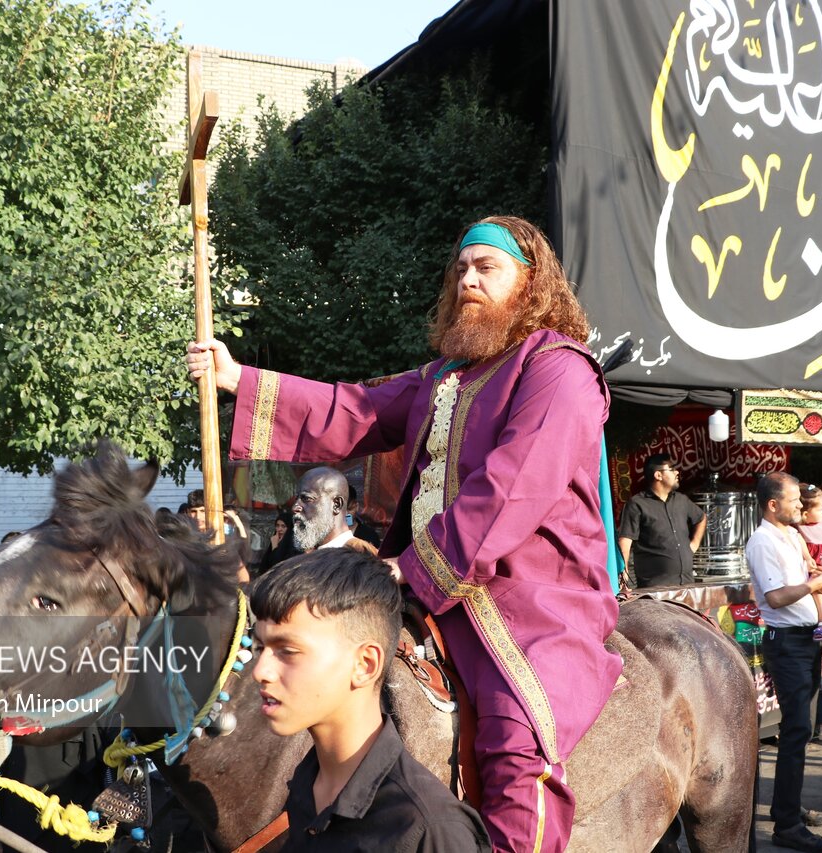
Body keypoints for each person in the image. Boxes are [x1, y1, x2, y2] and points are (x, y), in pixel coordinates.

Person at [187, 215, 621, 851]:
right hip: (424, 586)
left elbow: (512, 486)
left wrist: (412, 568)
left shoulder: (559, 370)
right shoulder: (444, 375)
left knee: (514, 743)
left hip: (529, 599)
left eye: (487, 269)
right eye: (461, 269)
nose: (468, 279)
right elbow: (355, 411)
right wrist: (239, 379)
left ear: (530, 285)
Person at [251, 548, 491, 851]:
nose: (260, 672)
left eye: (287, 651)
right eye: (261, 648)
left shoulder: (427, 830)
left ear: (365, 665)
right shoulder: (306, 783)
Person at [744, 472, 822, 853]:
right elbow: (778, 597)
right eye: (795, 499)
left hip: (807, 639)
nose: (801, 504)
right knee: (796, 731)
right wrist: (817, 585)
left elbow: (812, 580)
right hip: (787, 644)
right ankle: (786, 823)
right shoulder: (763, 541)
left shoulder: (792, 536)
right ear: (772, 504)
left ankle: (789, 808)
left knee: (803, 730)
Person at [617, 454, 707, 588]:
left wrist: (693, 545)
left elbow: (701, 518)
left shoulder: (681, 500)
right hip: (656, 588)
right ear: (658, 475)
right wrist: (623, 578)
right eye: (671, 469)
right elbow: (625, 541)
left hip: (687, 585)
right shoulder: (637, 504)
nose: (677, 472)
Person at [292, 468, 379, 556]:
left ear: (336, 505)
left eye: (307, 499)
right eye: (296, 499)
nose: (295, 507)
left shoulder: (363, 557)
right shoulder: (307, 556)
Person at [796, 484, 822, 643]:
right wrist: (808, 558)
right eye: (821, 509)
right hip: (815, 569)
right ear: (806, 514)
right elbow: (802, 546)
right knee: (817, 592)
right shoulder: (799, 529)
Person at [260, 510, 299, 574]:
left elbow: (277, 567)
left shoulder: (294, 548)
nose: (279, 529)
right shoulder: (275, 540)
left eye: (283, 526)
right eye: (277, 526)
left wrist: (275, 547)